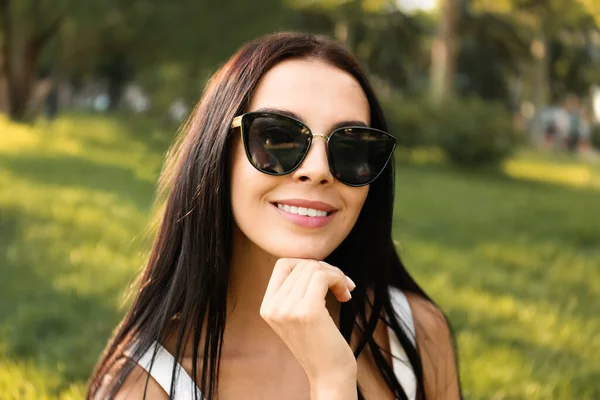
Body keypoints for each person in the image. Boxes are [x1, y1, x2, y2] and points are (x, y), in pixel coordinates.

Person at [88, 32, 461, 400]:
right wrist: (332, 382)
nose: (318, 170)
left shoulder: (416, 333)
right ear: (217, 154)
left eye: (350, 145)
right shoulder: (144, 387)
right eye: (276, 138)